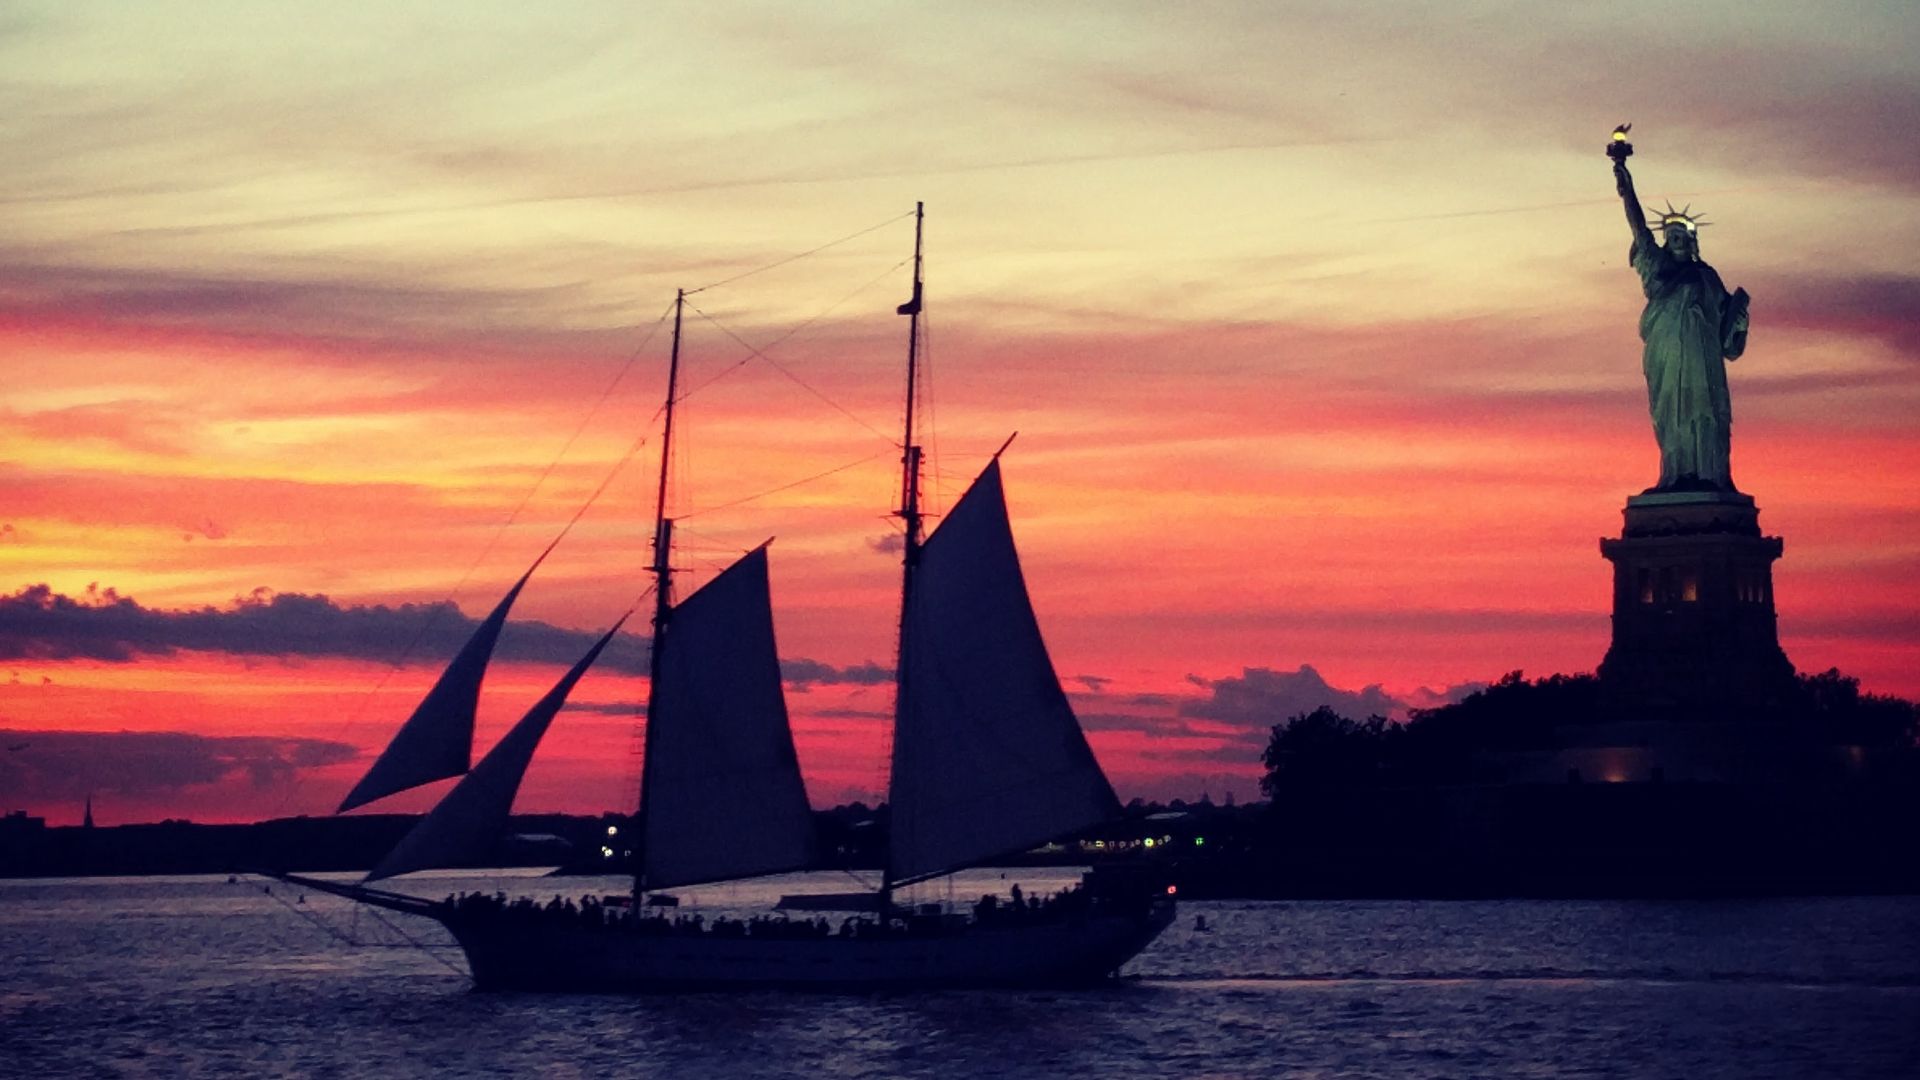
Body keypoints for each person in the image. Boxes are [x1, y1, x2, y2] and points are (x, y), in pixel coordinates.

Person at [1613, 154, 1750, 492]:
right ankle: (1674, 476)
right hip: (1666, 353)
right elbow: (1638, 226)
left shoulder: (1706, 276)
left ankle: (1709, 475)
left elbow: (1728, 340)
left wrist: (1739, 317)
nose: (1675, 240)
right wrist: (1623, 179)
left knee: (1704, 409)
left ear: (1691, 241)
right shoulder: (1655, 265)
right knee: (1670, 411)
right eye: (1670, 235)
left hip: (1701, 358)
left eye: (1681, 236)